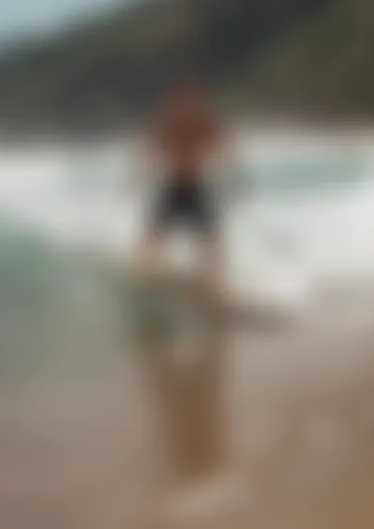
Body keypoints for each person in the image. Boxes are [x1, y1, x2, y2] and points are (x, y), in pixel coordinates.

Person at [130, 78, 242, 519]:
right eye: (175, 101)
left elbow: (226, 149)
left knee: (212, 243)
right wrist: (135, 176)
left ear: (193, 102)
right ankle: (142, 279)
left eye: (185, 101)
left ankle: (212, 289)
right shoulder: (165, 127)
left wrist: (236, 176)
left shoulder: (204, 123)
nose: (180, 107)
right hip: (171, 191)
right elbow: (148, 153)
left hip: (195, 190)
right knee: (153, 240)